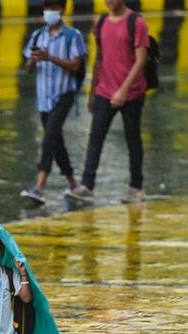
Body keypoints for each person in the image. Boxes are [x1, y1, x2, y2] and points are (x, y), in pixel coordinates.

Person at [66, 0, 150, 204]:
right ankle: (87, 186)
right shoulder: (101, 22)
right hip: (105, 90)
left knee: (132, 138)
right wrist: (93, 91)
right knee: (95, 136)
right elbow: (100, 58)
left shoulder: (136, 22)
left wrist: (123, 90)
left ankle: (136, 187)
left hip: (132, 93)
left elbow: (140, 60)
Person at [20, 0, 85, 206]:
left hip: (63, 95)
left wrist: (50, 58)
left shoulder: (72, 36)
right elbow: (28, 68)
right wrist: (34, 59)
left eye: (54, 8)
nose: (50, 12)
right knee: (57, 142)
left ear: (63, 10)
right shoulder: (38, 35)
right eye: (47, 8)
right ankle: (73, 183)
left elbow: (75, 65)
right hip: (43, 98)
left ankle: (39, 187)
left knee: (49, 137)